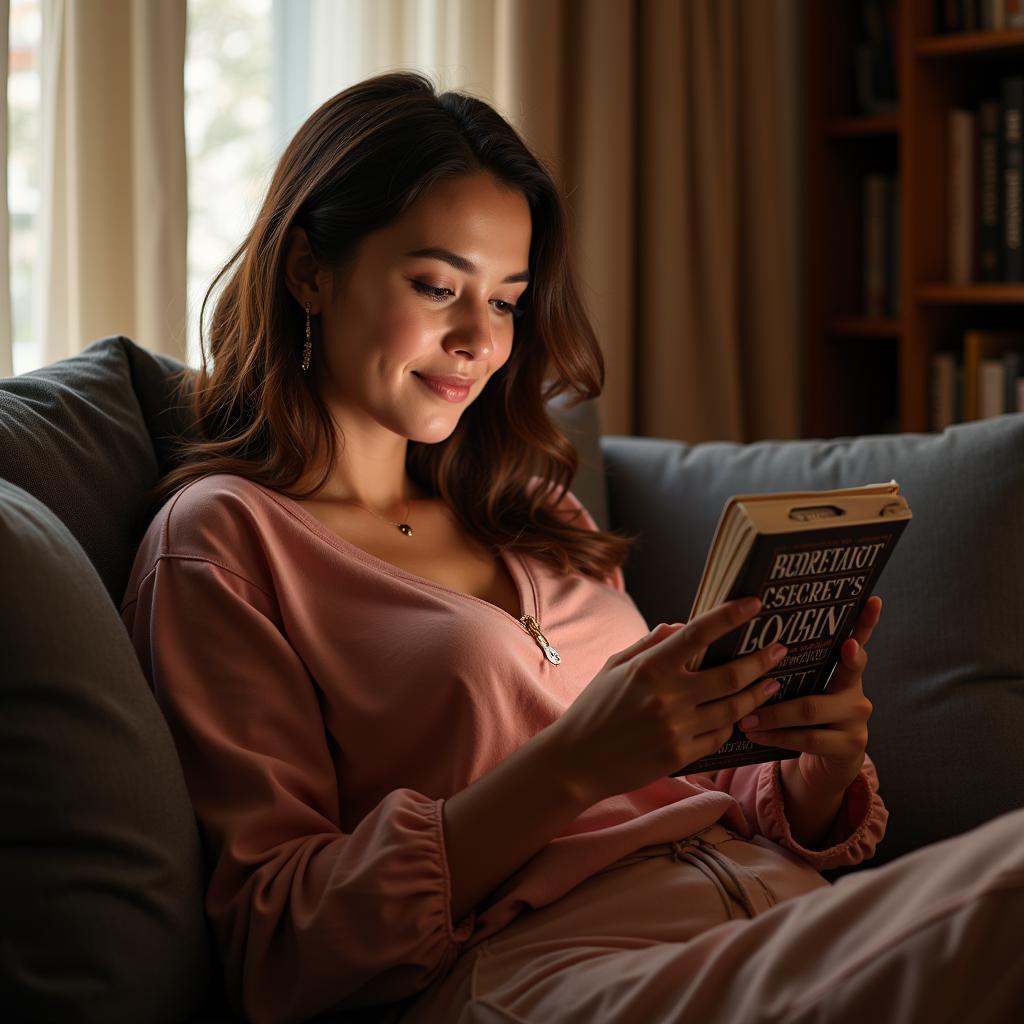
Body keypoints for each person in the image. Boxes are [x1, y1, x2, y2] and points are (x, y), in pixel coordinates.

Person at [121, 71, 1024, 1024]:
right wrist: (574, 765)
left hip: (761, 917)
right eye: (436, 286)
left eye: (507, 301)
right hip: (546, 970)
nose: (478, 338)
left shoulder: (535, 510)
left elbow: (692, 786)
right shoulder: (226, 540)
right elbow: (281, 948)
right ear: (309, 268)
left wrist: (811, 774)